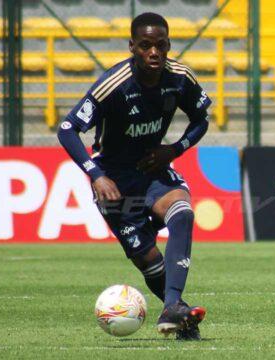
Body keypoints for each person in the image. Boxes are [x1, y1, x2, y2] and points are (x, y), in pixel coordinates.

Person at [57, 12, 210, 340]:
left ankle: (171, 308)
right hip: (114, 181)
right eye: (145, 46)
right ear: (132, 47)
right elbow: (68, 129)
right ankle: (178, 314)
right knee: (149, 261)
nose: (154, 52)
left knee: (182, 213)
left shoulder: (179, 78)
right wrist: (96, 174)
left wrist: (176, 148)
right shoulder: (114, 85)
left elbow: (201, 119)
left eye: (160, 45)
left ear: (168, 45)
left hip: (152, 170)